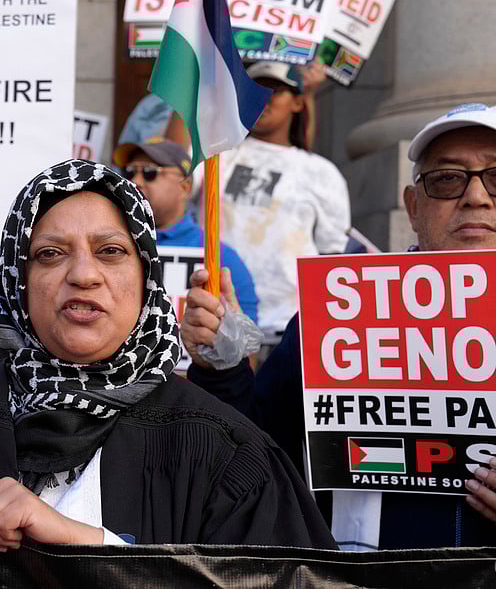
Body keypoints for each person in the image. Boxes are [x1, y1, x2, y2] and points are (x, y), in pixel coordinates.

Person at [0, 160, 335, 548]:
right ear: (16, 282)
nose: (83, 275)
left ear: (146, 276)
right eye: (49, 254)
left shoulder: (224, 452)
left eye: (110, 251)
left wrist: (90, 546)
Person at [180, 103, 496, 549]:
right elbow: (252, 460)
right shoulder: (338, 312)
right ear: (413, 205)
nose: (476, 197)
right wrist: (224, 365)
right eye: (447, 178)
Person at [172, 61, 350, 339]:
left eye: (275, 90)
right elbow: (172, 172)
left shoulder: (323, 173)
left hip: (291, 329)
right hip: (217, 322)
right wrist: (188, 83)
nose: (263, 98)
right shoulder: (217, 153)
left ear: (298, 102)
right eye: (254, 90)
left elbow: (334, 259)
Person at [113, 136, 258, 324]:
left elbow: (248, 348)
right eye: (129, 172)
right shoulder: (107, 245)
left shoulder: (220, 257)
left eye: (150, 172)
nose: (135, 181)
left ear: (185, 186)